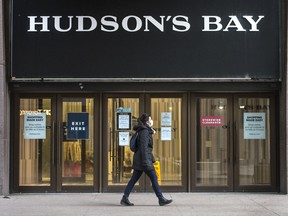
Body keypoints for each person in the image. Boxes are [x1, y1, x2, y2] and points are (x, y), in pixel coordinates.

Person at [120, 113, 173, 206]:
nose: (151, 120)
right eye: (150, 119)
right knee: (154, 178)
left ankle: (125, 198)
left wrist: (151, 131)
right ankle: (161, 199)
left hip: (140, 160)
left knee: (133, 180)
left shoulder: (144, 130)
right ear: (146, 121)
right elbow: (144, 148)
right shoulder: (144, 132)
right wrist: (146, 162)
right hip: (144, 161)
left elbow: (146, 148)